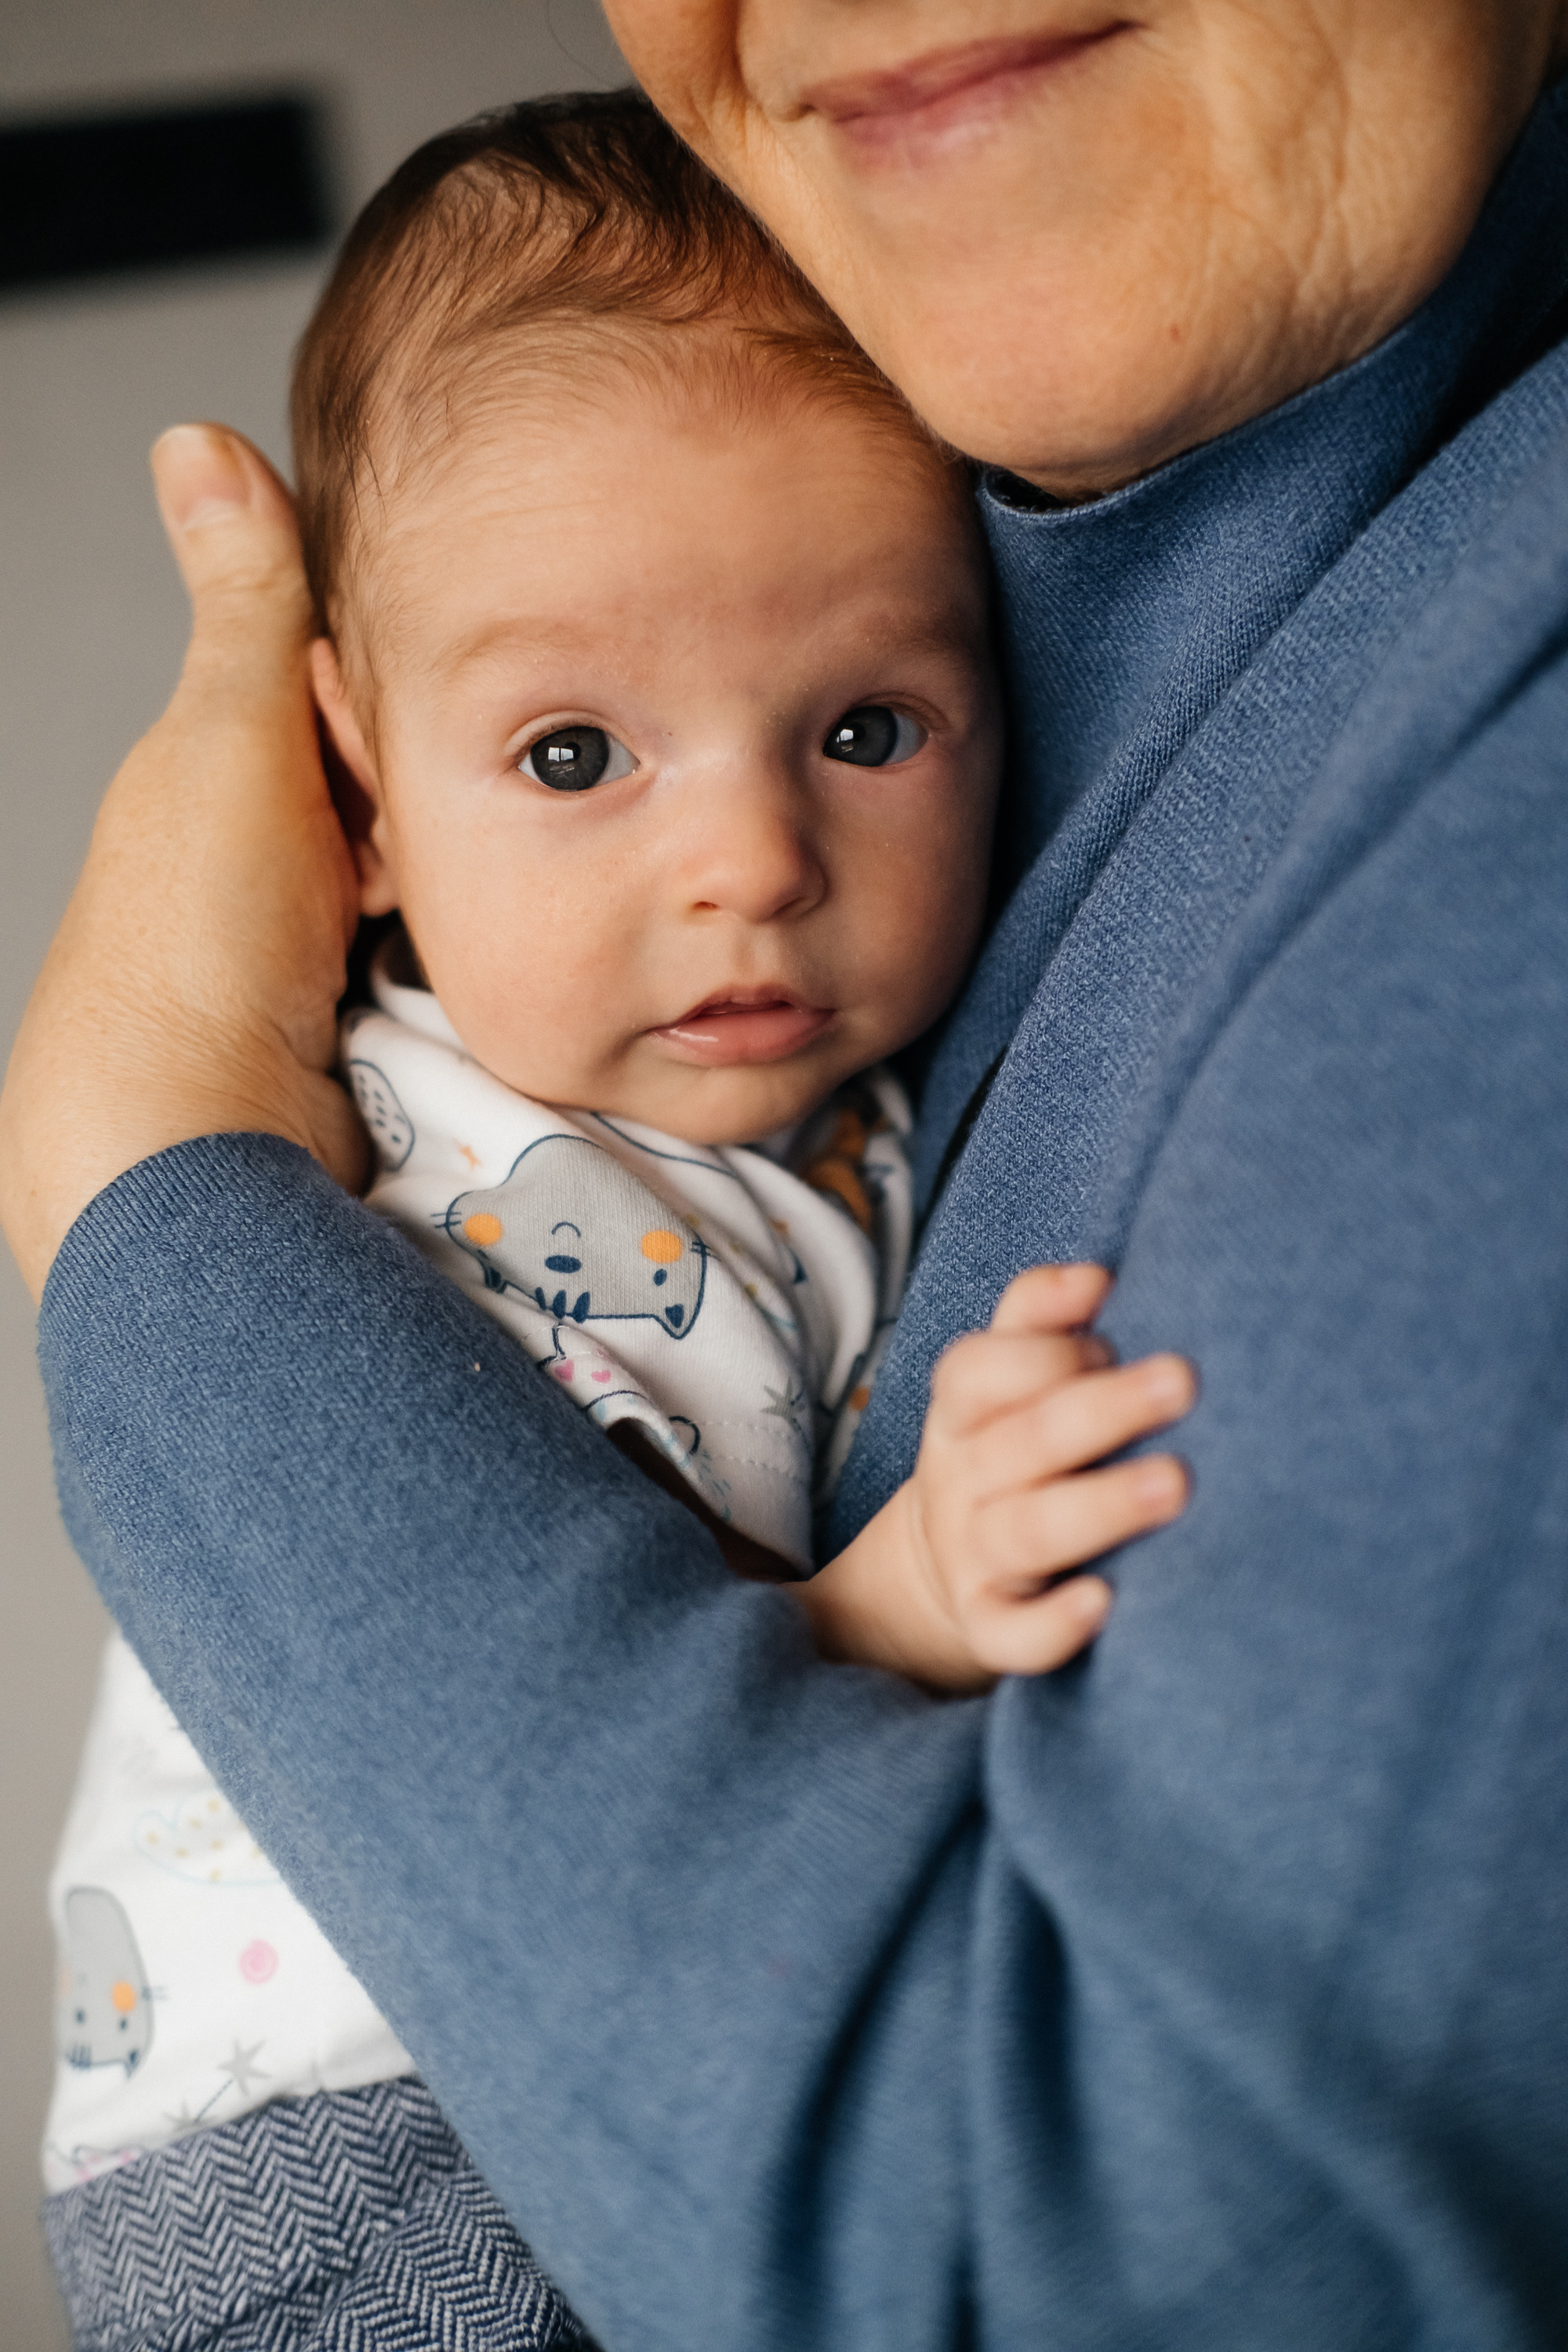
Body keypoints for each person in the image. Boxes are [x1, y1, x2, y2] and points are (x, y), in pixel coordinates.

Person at [6, 2, 1568, 2345]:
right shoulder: (430, 1150)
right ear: (354, 774)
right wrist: (900, 1604)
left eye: (864, 727)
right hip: (335, 2151)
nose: (748, 859)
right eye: (567, 751)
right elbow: (604, 1616)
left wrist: (140, 1153)